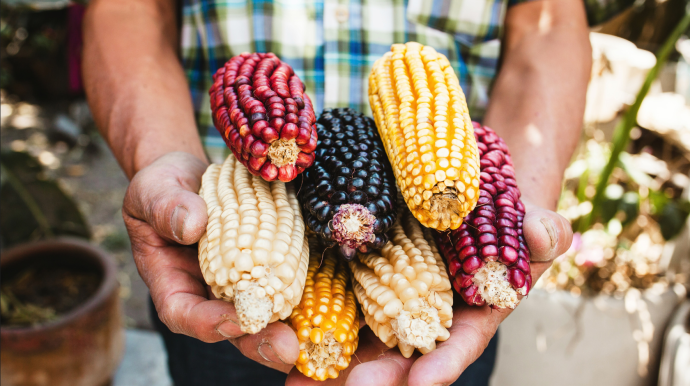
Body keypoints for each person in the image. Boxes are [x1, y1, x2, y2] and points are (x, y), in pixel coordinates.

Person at [82, 0, 631, 384]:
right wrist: (158, 157)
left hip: (441, 277)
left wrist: (514, 198)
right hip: (217, 272)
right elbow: (126, 9)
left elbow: (549, 21)